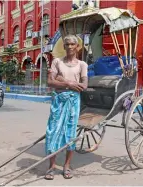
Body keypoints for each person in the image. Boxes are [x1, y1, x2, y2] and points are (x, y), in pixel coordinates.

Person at [45, 34, 88, 180]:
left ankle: (67, 166)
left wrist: (60, 79)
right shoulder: (57, 62)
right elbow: (50, 83)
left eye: (72, 44)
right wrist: (69, 84)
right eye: (67, 44)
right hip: (58, 100)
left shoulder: (82, 65)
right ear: (63, 47)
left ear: (77, 47)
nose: (69, 47)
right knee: (53, 132)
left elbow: (83, 85)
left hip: (73, 102)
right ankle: (51, 167)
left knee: (70, 133)